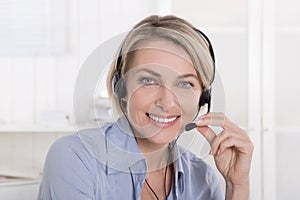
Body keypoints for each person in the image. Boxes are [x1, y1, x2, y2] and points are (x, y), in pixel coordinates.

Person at [37, 15, 253, 200]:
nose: (167, 102)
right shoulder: (76, 157)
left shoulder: (203, 179)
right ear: (121, 88)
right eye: (149, 80)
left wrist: (237, 186)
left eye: (184, 83)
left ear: (202, 97)